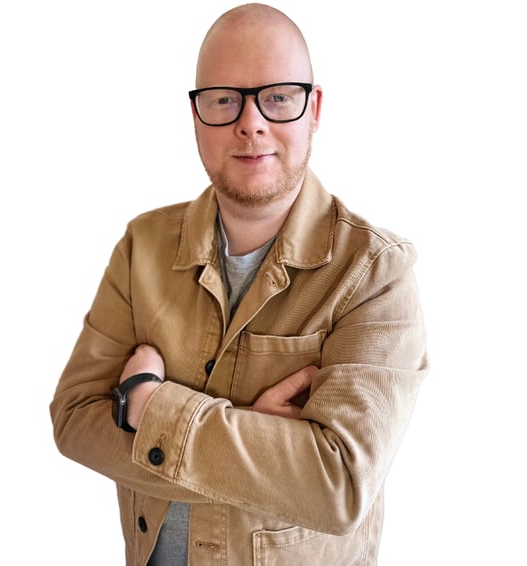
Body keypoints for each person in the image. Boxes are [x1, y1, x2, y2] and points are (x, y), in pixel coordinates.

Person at [50, 3, 429, 564]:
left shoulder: (375, 273)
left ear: (313, 108)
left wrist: (145, 403)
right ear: (196, 115)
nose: (251, 123)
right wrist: (252, 438)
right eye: (224, 100)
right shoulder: (142, 247)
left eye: (277, 96)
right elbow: (74, 419)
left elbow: (339, 487)